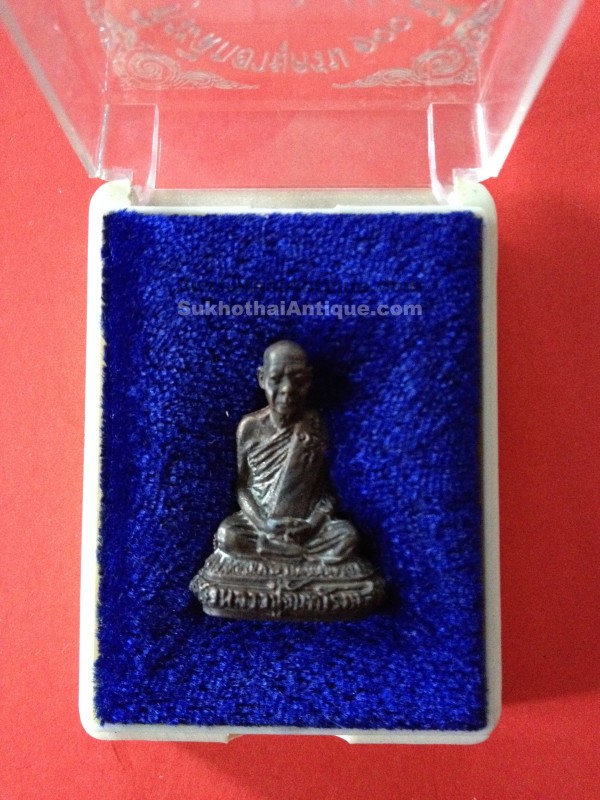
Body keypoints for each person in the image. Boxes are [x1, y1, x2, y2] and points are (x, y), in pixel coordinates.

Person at [214, 340, 358, 564]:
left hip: (306, 526)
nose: (287, 389)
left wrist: (313, 524)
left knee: (347, 536)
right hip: (262, 524)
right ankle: (294, 556)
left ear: (309, 380)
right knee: (228, 535)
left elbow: (326, 491)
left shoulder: (316, 426)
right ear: (262, 378)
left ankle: (282, 553)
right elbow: (242, 486)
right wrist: (263, 524)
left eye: (298, 380)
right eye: (276, 379)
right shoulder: (250, 427)